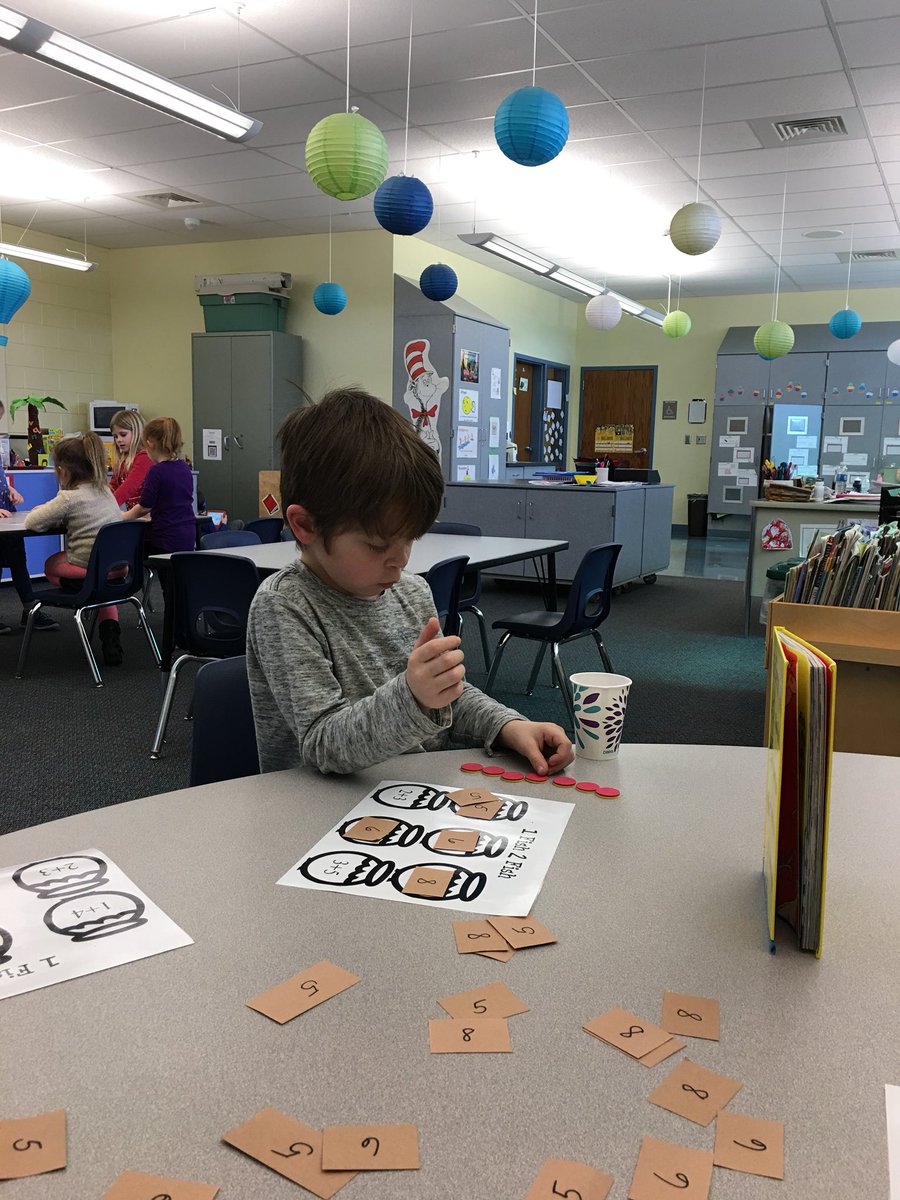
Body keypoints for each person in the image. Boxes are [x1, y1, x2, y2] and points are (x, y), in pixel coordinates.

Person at [247, 387, 574, 777]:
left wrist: (507, 726)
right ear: (305, 526)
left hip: (415, 796)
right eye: (377, 545)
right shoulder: (286, 606)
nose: (401, 560)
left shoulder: (410, 590)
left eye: (410, 540)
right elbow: (323, 745)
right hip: (324, 814)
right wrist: (413, 696)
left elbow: (446, 693)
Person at [24, 433, 124, 663]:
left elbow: (32, 522)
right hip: (120, 571)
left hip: (91, 573)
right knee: (101, 587)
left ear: (62, 470)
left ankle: (85, 594)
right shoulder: (105, 491)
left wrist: (47, 509)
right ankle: (111, 638)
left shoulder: (69, 498)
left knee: (51, 565)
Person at [0, 401, 59, 634]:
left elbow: (2, 475)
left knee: (17, 559)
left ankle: (30, 610)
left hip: (6, 514)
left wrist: (10, 490)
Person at [121, 417, 195, 555]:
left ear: (150, 444)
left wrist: (123, 516)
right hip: (187, 534)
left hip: (166, 538)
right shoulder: (184, 468)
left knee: (129, 548)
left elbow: (144, 507)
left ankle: (134, 576)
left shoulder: (157, 471)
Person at [109, 409, 151, 510]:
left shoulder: (144, 457)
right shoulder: (122, 461)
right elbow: (113, 486)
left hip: (150, 516)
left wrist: (109, 507)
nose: (118, 439)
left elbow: (131, 485)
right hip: (136, 516)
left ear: (137, 432)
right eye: (115, 436)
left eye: (123, 434)